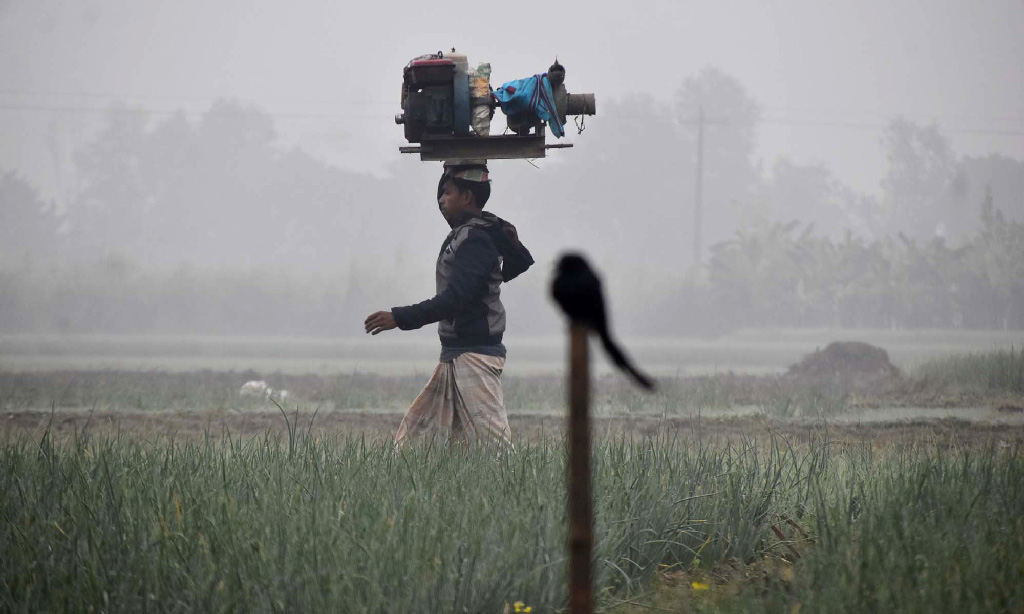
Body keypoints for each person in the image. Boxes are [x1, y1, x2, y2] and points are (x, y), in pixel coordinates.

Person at [363, 164, 530, 447]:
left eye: (447, 193)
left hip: (475, 357)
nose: (441, 199)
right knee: (414, 439)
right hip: (455, 355)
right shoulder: (467, 233)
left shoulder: (475, 240)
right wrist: (450, 168)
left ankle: (517, 488)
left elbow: (456, 299)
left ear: (466, 198)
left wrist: (399, 317)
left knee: (496, 449)